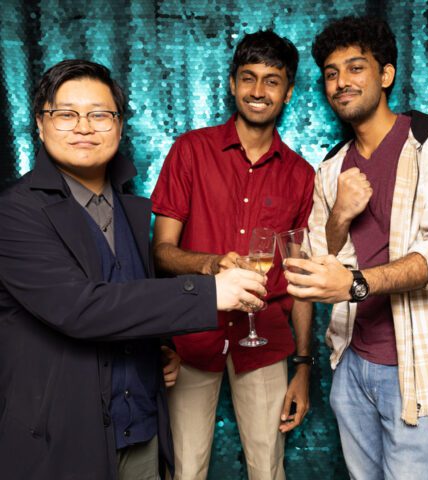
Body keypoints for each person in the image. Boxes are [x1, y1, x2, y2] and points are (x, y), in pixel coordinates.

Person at [0, 59, 267, 480]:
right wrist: (210, 291)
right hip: (61, 439)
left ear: (120, 126)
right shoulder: (15, 212)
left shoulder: (131, 209)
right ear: (40, 124)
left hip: (141, 435)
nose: (84, 127)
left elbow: (130, 299)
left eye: (99, 115)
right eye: (66, 114)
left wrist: (153, 350)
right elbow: (80, 308)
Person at [283, 16, 428, 480]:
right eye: (331, 73)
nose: (341, 82)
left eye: (356, 68)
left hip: (423, 372)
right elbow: (321, 258)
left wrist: (355, 284)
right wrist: (339, 214)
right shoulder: (331, 167)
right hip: (354, 367)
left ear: (386, 74)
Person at [151, 30, 315, 480]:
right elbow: (161, 252)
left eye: (272, 81)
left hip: (265, 338)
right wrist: (210, 265)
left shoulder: (301, 174)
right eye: (248, 78)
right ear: (232, 84)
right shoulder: (191, 150)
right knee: (185, 469)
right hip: (192, 332)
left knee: (268, 469)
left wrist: (303, 365)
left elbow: (300, 278)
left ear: (288, 91)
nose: (258, 91)